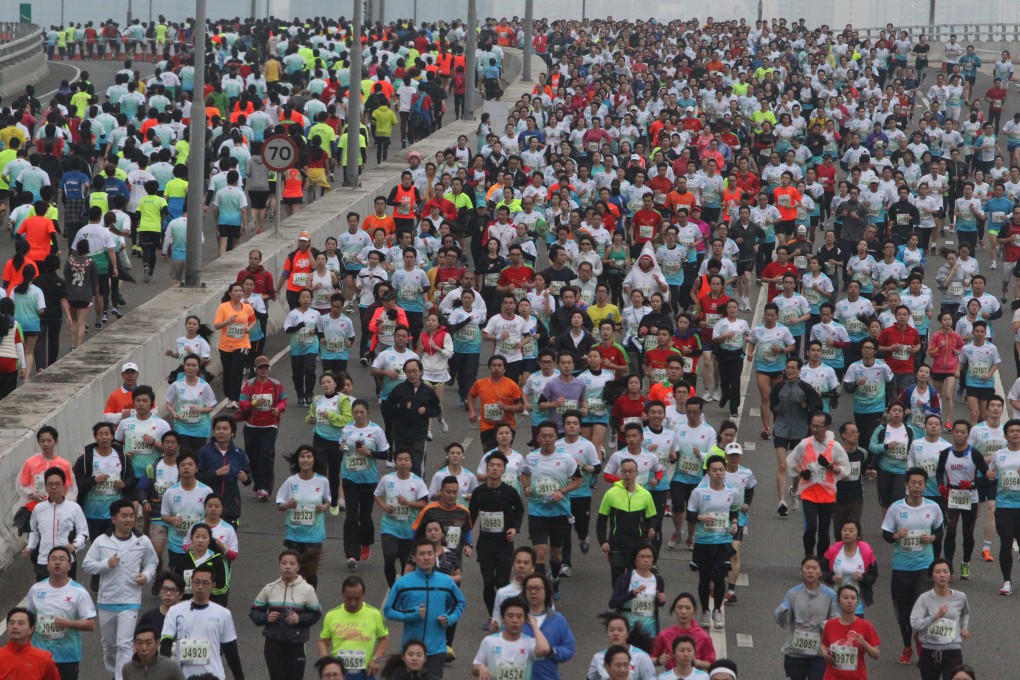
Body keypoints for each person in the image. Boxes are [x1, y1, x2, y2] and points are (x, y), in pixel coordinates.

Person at [81, 499, 158, 680]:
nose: (128, 520)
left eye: (131, 516)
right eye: (124, 516)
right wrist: (106, 564)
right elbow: (87, 565)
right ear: (114, 519)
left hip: (130, 600)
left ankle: (121, 678)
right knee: (109, 647)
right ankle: (114, 675)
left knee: (124, 645)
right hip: (107, 600)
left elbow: (152, 562)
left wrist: (146, 576)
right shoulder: (101, 541)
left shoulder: (142, 541)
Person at [881, 467, 945, 665]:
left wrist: (932, 537)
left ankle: (921, 638)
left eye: (920, 483)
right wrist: (896, 536)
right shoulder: (896, 508)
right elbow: (886, 535)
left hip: (924, 567)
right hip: (901, 567)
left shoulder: (933, 507)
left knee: (922, 606)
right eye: (913, 483)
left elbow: (939, 533)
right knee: (904, 612)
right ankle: (907, 645)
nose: (917, 487)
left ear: (925, 485)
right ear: (906, 485)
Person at [383, 538, 466, 678]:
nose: (426, 557)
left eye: (429, 553)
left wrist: (449, 618)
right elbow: (388, 610)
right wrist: (411, 614)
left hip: (436, 649)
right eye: (421, 554)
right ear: (414, 558)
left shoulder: (446, 581)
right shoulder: (404, 583)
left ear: (435, 556)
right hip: (411, 651)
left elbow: (460, 603)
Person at [519, 421, 583, 594]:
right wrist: (526, 487)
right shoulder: (531, 457)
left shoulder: (566, 459)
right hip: (537, 511)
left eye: (550, 436)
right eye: (543, 436)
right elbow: (524, 474)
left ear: (556, 438)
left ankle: (554, 578)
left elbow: (578, 480)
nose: (547, 439)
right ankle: (542, 589)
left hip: (559, 512)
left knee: (556, 555)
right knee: (539, 553)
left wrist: (562, 490)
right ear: (538, 438)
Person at [21, 546, 97, 680]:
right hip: (39, 654)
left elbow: (90, 624)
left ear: (69, 565)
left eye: (62, 559)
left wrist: (67, 623)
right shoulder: (36, 589)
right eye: (53, 559)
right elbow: (27, 616)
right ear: (47, 564)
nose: (57, 562)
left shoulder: (79, 592)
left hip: (67, 656)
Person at [159, 563, 245, 680]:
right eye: (197, 582)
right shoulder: (175, 611)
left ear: (213, 585)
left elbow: (231, 652)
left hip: (214, 676)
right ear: (191, 582)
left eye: (205, 583)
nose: (200, 587)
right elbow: (165, 645)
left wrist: (239, 677)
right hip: (184, 676)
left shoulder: (223, 614)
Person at [249, 550, 322, 680]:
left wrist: (299, 619)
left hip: (296, 643)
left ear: (298, 567)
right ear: (279, 566)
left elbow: (316, 614)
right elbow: (254, 612)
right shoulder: (269, 588)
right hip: (273, 643)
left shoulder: (307, 589)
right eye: (284, 563)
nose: (287, 566)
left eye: (292, 563)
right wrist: (266, 618)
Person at [468, 451, 524, 619]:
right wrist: (467, 540)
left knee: (502, 582)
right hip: (485, 543)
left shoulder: (510, 491)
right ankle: (493, 616)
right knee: (488, 582)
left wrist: (515, 529)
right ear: (487, 468)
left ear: (503, 470)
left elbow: (520, 510)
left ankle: (504, 614)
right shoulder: (479, 492)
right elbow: (471, 517)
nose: (494, 469)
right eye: (492, 465)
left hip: (504, 543)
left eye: (499, 466)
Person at [786, 412, 849, 558]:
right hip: (809, 493)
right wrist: (802, 472)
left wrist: (830, 466)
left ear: (827, 427)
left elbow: (845, 471)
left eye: (819, 427)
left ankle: (821, 560)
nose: (815, 429)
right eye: (813, 426)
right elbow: (791, 461)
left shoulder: (835, 447)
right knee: (811, 528)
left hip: (827, 495)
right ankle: (808, 556)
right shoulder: (805, 444)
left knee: (824, 531)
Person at [687, 455, 739, 630]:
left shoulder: (732, 491)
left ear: (725, 471)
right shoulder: (699, 492)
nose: (718, 473)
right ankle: (705, 611)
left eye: (721, 470)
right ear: (708, 473)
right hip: (703, 541)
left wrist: (733, 523)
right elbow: (690, 515)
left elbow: (734, 511)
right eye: (714, 470)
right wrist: (702, 517)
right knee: (704, 577)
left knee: (719, 576)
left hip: (723, 541)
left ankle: (717, 610)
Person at [340, 399, 391, 570]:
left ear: (368, 413)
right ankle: (351, 554)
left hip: (368, 479)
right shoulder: (347, 428)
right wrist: (342, 447)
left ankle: (366, 542)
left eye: (362, 412)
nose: (359, 415)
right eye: (356, 412)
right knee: (351, 515)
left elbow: (386, 454)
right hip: (349, 476)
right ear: (352, 413)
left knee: (365, 516)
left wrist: (370, 452)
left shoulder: (376, 430)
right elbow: (342, 443)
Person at [774, 556, 839, 680]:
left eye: (814, 568)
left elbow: (836, 619)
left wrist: (827, 625)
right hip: (795, 652)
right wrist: (781, 612)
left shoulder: (830, 595)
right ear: (801, 571)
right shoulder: (792, 593)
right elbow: (783, 622)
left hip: (819, 652)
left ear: (820, 573)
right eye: (807, 568)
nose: (810, 571)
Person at [597, 457, 658, 585]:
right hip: (617, 545)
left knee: (635, 581)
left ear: (636, 473)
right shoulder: (611, 494)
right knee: (617, 581)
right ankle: (619, 604)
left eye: (631, 471)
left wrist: (652, 529)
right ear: (620, 473)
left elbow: (652, 517)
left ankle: (631, 604)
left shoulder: (645, 495)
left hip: (638, 545)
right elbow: (601, 520)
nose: (627, 474)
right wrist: (603, 541)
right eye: (624, 471)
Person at [22, 467, 87, 583]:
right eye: (50, 484)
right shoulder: (39, 509)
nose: (53, 487)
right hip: (44, 562)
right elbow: (33, 530)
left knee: (66, 597)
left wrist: (74, 545)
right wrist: (30, 547)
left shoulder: (74, 508)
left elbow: (83, 532)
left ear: (63, 487)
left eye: (57, 484)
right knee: (45, 598)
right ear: (46, 487)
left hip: (66, 561)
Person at [317, 575, 389, 679]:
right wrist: (327, 662)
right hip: (340, 674)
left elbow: (384, 639)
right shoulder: (331, 615)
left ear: (363, 594)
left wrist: (375, 659)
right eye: (349, 598)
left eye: (357, 598)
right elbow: (323, 642)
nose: (353, 602)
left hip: (365, 673)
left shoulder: (375, 614)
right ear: (342, 594)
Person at [237, 355, 288, 501]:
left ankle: (265, 488)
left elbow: (283, 400)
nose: (263, 370)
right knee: (253, 457)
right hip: (252, 426)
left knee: (266, 456)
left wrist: (279, 408)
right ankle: (258, 485)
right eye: (260, 368)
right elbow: (242, 404)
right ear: (255, 369)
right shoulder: (249, 385)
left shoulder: (275, 384)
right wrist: (254, 403)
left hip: (270, 425)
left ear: (269, 368)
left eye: (266, 367)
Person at [910, 559, 971, 680]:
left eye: (945, 571)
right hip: (929, 651)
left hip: (953, 651)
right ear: (931, 576)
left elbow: (965, 613)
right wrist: (934, 616)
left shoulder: (960, 597)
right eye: (937, 572)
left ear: (951, 575)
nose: (942, 575)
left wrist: (964, 628)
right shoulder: (924, 599)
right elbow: (915, 624)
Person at [471, 596, 551, 680]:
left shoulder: (529, 642)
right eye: (510, 616)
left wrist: (534, 625)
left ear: (525, 619)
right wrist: (480, 668)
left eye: (519, 616)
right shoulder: (489, 641)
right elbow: (475, 667)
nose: (515, 620)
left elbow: (544, 649)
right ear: (503, 618)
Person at [386, 359, 441, 477]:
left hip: (419, 436)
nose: (412, 374)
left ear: (421, 372)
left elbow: (437, 409)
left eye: (414, 371)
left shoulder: (428, 391)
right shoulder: (399, 389)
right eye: (409, 371)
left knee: (417, 468)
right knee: (401, 468)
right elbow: (388, 409)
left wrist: (427, 411)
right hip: (401, 435)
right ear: (405, 373)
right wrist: (403, 406)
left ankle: (419, 493)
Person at [519, 573, 575, 680]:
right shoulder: (517, 619)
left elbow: (569, 649)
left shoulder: (557, 619)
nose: (533, 592)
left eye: (538, 588)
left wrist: (552, 651)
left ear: (546, 591)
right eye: (529, 588)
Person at [987, 418, 1020, 595]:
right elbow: (991, 474)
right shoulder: (999, 455)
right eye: (1012, 431)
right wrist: (990, 475)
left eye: (1018, 431)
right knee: (1006, 542)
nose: (1015, 433)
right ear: (1006, 435)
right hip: (1005, 506)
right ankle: (1007, 581)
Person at [820, 585, 881, 680]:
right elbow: (824, 644)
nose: (849, 601)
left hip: (857, 677)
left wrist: (864, 643)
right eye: (845, 598)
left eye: (853, 598)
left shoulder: (866, 625)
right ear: (839, 601)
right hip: (832, 676)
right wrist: (825, 654)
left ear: (857, 602)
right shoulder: (830, 624)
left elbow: (876, 654)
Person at [821, 519, 880, 618]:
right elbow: (822, 570)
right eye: (844, 530)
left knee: (854, 632)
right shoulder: (833, 550)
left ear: (858, 535)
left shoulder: (866, 551)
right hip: (835, 600)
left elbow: (873, 575)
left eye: (851, 531)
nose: (847, 533)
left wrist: (862, 578)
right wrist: (832, 578)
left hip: (857, 602)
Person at [607, 542, 666, 638]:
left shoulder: (658, 580)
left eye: (649, 557)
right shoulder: (625, 579)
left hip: (650, 631)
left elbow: (656, 604)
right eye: (642, 556)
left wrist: (661, 601)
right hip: (628, 630)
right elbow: (612, 603)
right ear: (636, 560)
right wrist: (632, 594)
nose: (646, 560)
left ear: (653, 560)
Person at [213, 282, 256, 408]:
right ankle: (229, 395)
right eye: (235, 291)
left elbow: (253, 320)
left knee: (237, 370)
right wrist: (227, 321)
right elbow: (216, 326)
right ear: (230, 293)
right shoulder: (223, 307)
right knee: (227, 371)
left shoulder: (247, 308)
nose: (238, 293)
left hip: (242, 344)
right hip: (226, 345)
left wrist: (249, 327)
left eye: (240, 291)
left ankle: (234, 399)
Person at [650, 593, 716, 673]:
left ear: (694, 610)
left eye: (688, 608)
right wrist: (658, 660)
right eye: (679, 607)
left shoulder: (703, 637)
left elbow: (712, 663)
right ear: (674, 609)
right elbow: (650, 658)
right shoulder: (664, 635)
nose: (683, 611)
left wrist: (696, 662)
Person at [0, 608, 61, 680]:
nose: (15, 626)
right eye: (11, 623)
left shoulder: (44, 659)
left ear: (31, 629)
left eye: (20, 623)